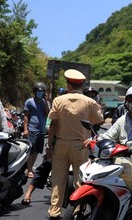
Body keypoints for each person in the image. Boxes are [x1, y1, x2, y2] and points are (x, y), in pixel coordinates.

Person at [84, 84, 132, 220]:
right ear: (126, 102)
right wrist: (93, 141)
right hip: (123, 159)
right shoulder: (122, 120)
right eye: (131, 99)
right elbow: (109, 135)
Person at [47, 69, 104, 219]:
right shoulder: (90, 102)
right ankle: (77, 209)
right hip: (81, 146)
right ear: (81, 85)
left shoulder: (58, 100)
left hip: (61, 144)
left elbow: (53, 124)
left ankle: (55, 211)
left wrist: (48, 146)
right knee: (80, 179)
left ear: (68, 85)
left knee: (58, 179)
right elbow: (99, 120)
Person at [23, 82, 49, 178]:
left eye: (42, 91)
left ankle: (30, 167)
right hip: (32, 129)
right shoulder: (29, 102)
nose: (40, 93)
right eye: (39, 91)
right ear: (35, 91)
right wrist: (26, 129)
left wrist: (46, 101)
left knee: (37, 150)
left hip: (41, 130)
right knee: (31, 150)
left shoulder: (44, 102)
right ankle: (29, 169)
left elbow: (47, 113)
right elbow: (26, 116)